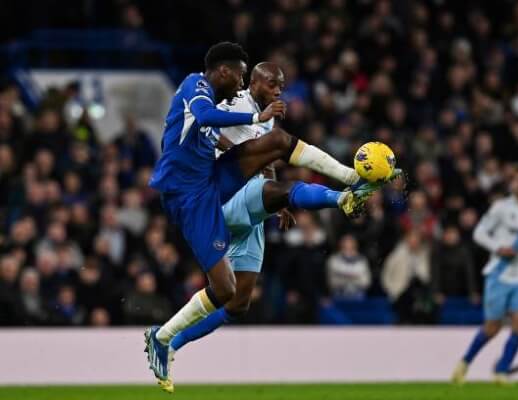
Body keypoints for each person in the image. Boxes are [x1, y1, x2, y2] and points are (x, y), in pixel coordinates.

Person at [144, 43, 400, 389]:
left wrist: (268, 185)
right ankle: (162, 337)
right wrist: (254, 119)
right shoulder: (203, 89)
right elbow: (205, 118)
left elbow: (228, 143)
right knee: (223, 287)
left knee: (236, 303)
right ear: (231, 74)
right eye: (251, 77)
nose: (277, 90)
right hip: (193, 197)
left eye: (281, 85)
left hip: (213, 181)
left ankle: (352, 179)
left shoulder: (251, 109)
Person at [451, 164, 518, 385]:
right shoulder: (500, 208)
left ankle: (501, 371)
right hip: (500, 273)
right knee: (492, 327)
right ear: (512, 184)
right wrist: (498, 247)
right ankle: (465, 362)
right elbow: (479, 233)